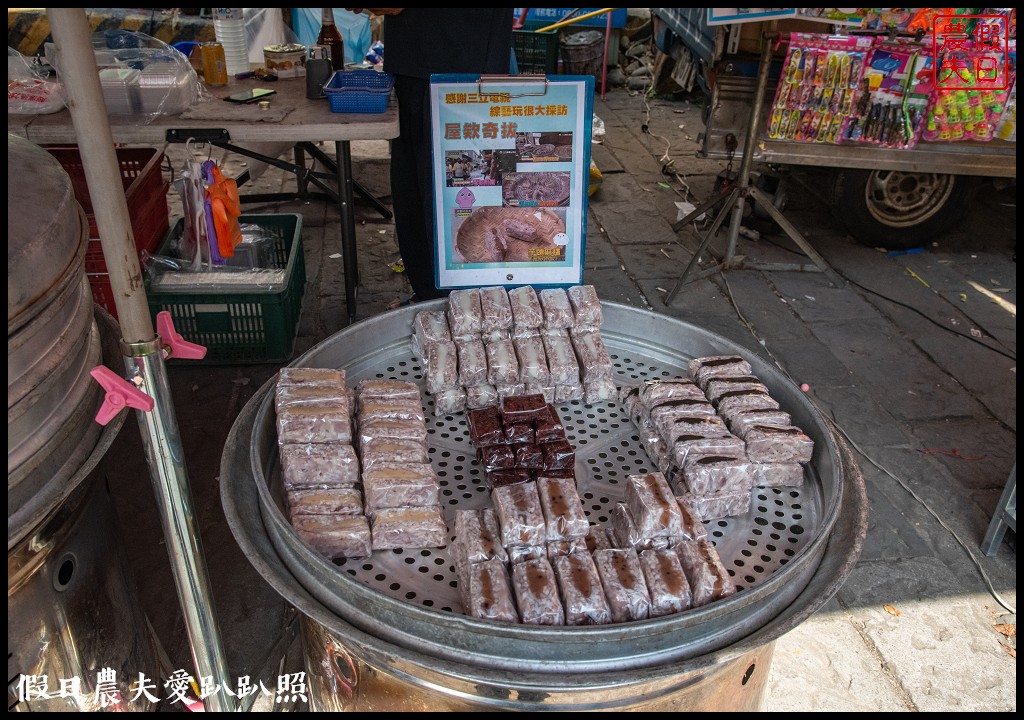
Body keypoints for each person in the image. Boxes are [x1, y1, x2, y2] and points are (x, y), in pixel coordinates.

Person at [351, 8, 514, 305]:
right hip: (430, 59)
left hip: (450, 60)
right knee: (420, 192)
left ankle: (457, 306)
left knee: (442, 196)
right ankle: (435, 298)